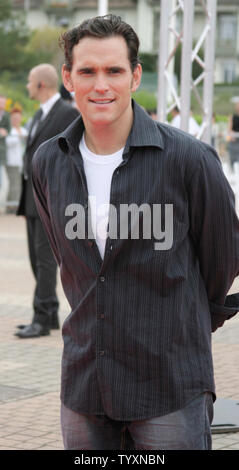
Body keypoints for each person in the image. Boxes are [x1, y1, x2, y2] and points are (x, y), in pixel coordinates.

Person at [31, 15, 239, 450]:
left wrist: (189, 321)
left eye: (114, 71)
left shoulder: (189, 159)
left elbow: (223, 260)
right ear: (68, 77)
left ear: (135, 76)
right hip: (86, 383)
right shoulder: (49, 160)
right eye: (87, 71)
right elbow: (70, 262)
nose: (100, 85)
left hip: (169, 384)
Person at [15, 64, 79, 339]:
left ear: (41, 84)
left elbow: (73, 155)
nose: (27, 86)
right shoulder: (41, 114)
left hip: (51, 197)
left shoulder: (67, 114)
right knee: (35, 257)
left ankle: (41, 318)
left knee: (44, 260)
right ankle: (50, 313)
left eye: (30, 81)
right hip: (32, 198)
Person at [6, 107, 28, 212]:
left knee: (18, 184)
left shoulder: (23, 130)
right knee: (14, 184)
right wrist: (19, 137)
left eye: (18, 117)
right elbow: (8, 143)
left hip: (21, 162)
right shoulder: (10, 130)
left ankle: (13, 206)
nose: (16, 120)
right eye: (14, 118)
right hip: (11, 161)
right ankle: (11, 207)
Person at [0, 94, 10, 214]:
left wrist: (4, 132)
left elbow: (8, 130)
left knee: (1, 181)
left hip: (1, 153)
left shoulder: (6, 115)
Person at [227, 100, 239, 169]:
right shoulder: (232, 117)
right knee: (232, 158)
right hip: (234, 140)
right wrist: (232, 135)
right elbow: (229, 129)